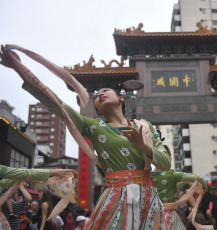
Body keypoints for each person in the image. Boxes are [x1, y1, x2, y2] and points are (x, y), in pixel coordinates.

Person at [0, 45, 171, 229]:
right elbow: (56, 102)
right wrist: (19, 68)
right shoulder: (95, 127)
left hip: (147, 199)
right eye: (97, 95)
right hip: (115, 198)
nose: (100, 94)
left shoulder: (145, 127)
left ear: (121, 99)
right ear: (97, 108)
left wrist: (143, 146)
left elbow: (165, 163)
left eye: (106, 90)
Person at [151, 145, 206, 229]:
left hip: (151, 217)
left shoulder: (147, 176)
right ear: (166, 156)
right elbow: (198, 177)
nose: (171, 158)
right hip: (167, 217)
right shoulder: (171, 175)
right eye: (170, 156)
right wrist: (204, 186)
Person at [0, 166, 71, 230]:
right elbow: (25, 174)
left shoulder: (44, 204)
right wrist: (54, 172)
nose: (27, 185)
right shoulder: (9, 189)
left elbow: (25, 175)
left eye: (41, 194)